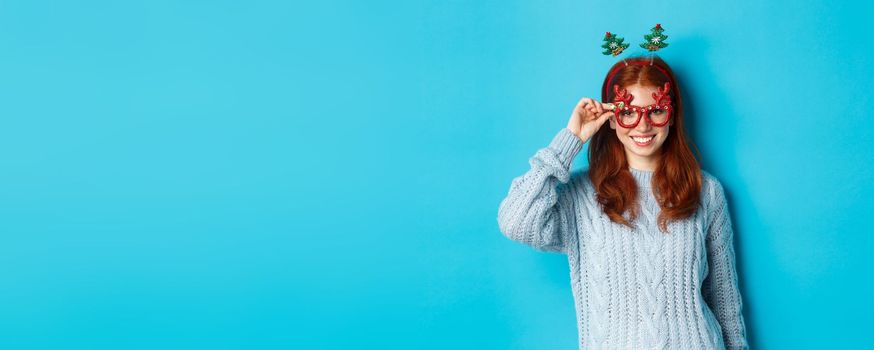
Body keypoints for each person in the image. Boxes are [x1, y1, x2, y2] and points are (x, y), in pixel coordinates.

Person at [496, 55, 749, 350]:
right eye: (629, 113)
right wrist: (571, 139)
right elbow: (515, 222)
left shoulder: (706, 191)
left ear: (672, 114)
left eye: (655, 111)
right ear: (613, 119)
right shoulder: (582, 195)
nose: (642, 126)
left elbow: (724, 298)